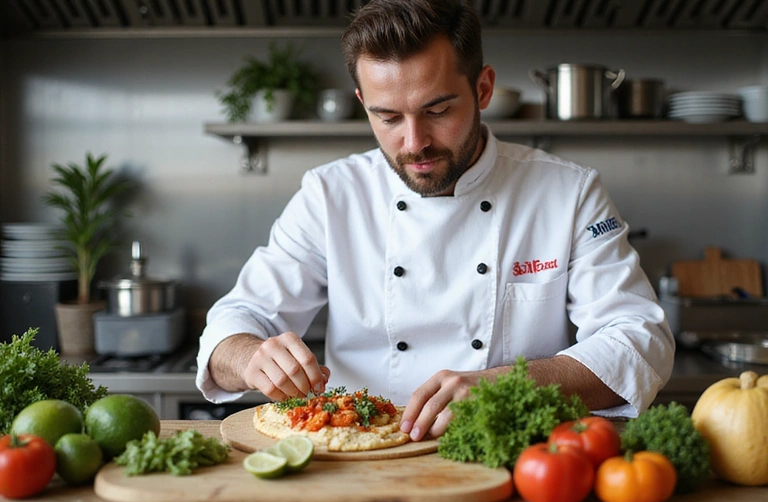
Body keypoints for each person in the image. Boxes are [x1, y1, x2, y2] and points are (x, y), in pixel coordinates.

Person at [196, 0, 675, 441]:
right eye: (388, 118)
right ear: (363, 102)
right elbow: (231, 328)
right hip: (359, 455)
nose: (414, 143)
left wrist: (504, 385)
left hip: (509, 453)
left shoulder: (568, 192)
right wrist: (251, 356)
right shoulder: (330, 194)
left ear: (483, 89)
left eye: (438, 110)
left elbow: (639, 339)